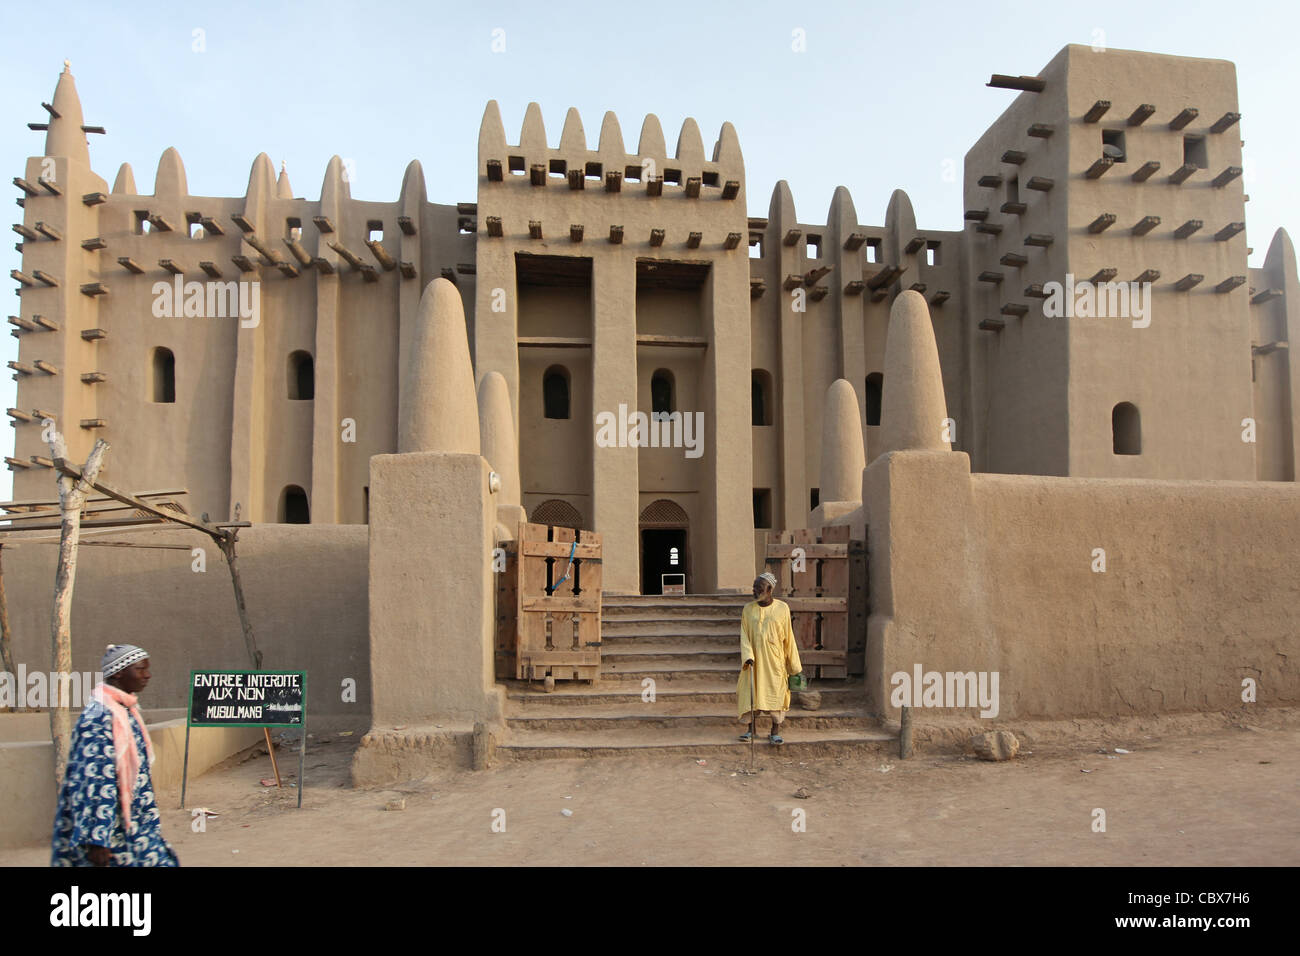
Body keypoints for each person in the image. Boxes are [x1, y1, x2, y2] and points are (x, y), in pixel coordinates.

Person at [51, 644, 178, 867]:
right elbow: (95, 781)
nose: (147, 675)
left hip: (133, 825)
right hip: (110, 831)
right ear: (119, 672)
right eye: (140, 669)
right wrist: (97, 839)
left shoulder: (125, 710)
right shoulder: (99, 719)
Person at [737, 571, 803, 745]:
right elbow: (744, 635)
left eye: (758, 588)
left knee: (776, 695)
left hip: (775, 662)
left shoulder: (782, 608)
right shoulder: (748, 609)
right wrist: (748, 656)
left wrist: (794, 666)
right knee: (751, 693)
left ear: (770, 589)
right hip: (754, 662)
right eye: (754, 587)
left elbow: (789, 637)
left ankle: (775, 731)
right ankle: (750, 730)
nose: (754, 591)